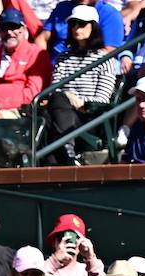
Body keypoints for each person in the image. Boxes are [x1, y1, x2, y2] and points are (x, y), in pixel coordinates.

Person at [45, 6, 120, 165]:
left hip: (89, 116)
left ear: (93, 27)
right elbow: (55, 88)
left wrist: (76, 100)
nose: (76, 28)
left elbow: (102, 98)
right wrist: (68, 97)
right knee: (49, 110)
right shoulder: (63, 57)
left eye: (81, 24)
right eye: (73, 24)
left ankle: (64, 151)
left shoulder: (104, 59)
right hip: (63, 111)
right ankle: (66, 151)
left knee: (56, 107)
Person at [43, 212, 101, 276]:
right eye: (62, 237)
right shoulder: (45, 266)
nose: (69, 243)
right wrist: (55, 260)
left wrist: (91, 258)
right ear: (54, 241)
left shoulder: (87, 271)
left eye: (74, 238)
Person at [38, 0, 123, 56]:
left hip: (87, 69)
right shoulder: (62, 7)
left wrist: (76, 62)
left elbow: (109, 50)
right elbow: (42, 39)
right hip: (56, 65)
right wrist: (42, 62)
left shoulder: (110, 14)